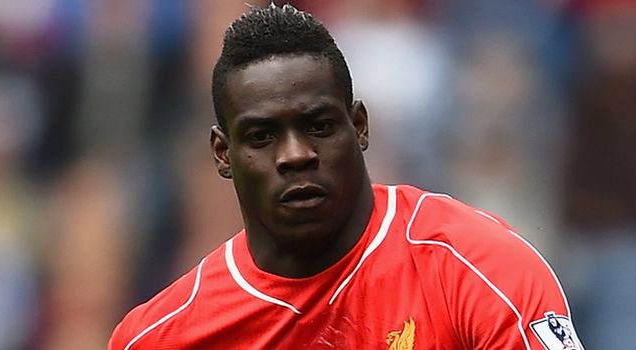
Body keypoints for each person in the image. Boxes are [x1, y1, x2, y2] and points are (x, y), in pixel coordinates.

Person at [108, 4, 584, 349]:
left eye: (318, 126)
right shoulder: (164, 335)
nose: (296, 155)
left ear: (359, 126)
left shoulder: (477, 268)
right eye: (262, 136)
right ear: (222, 153)